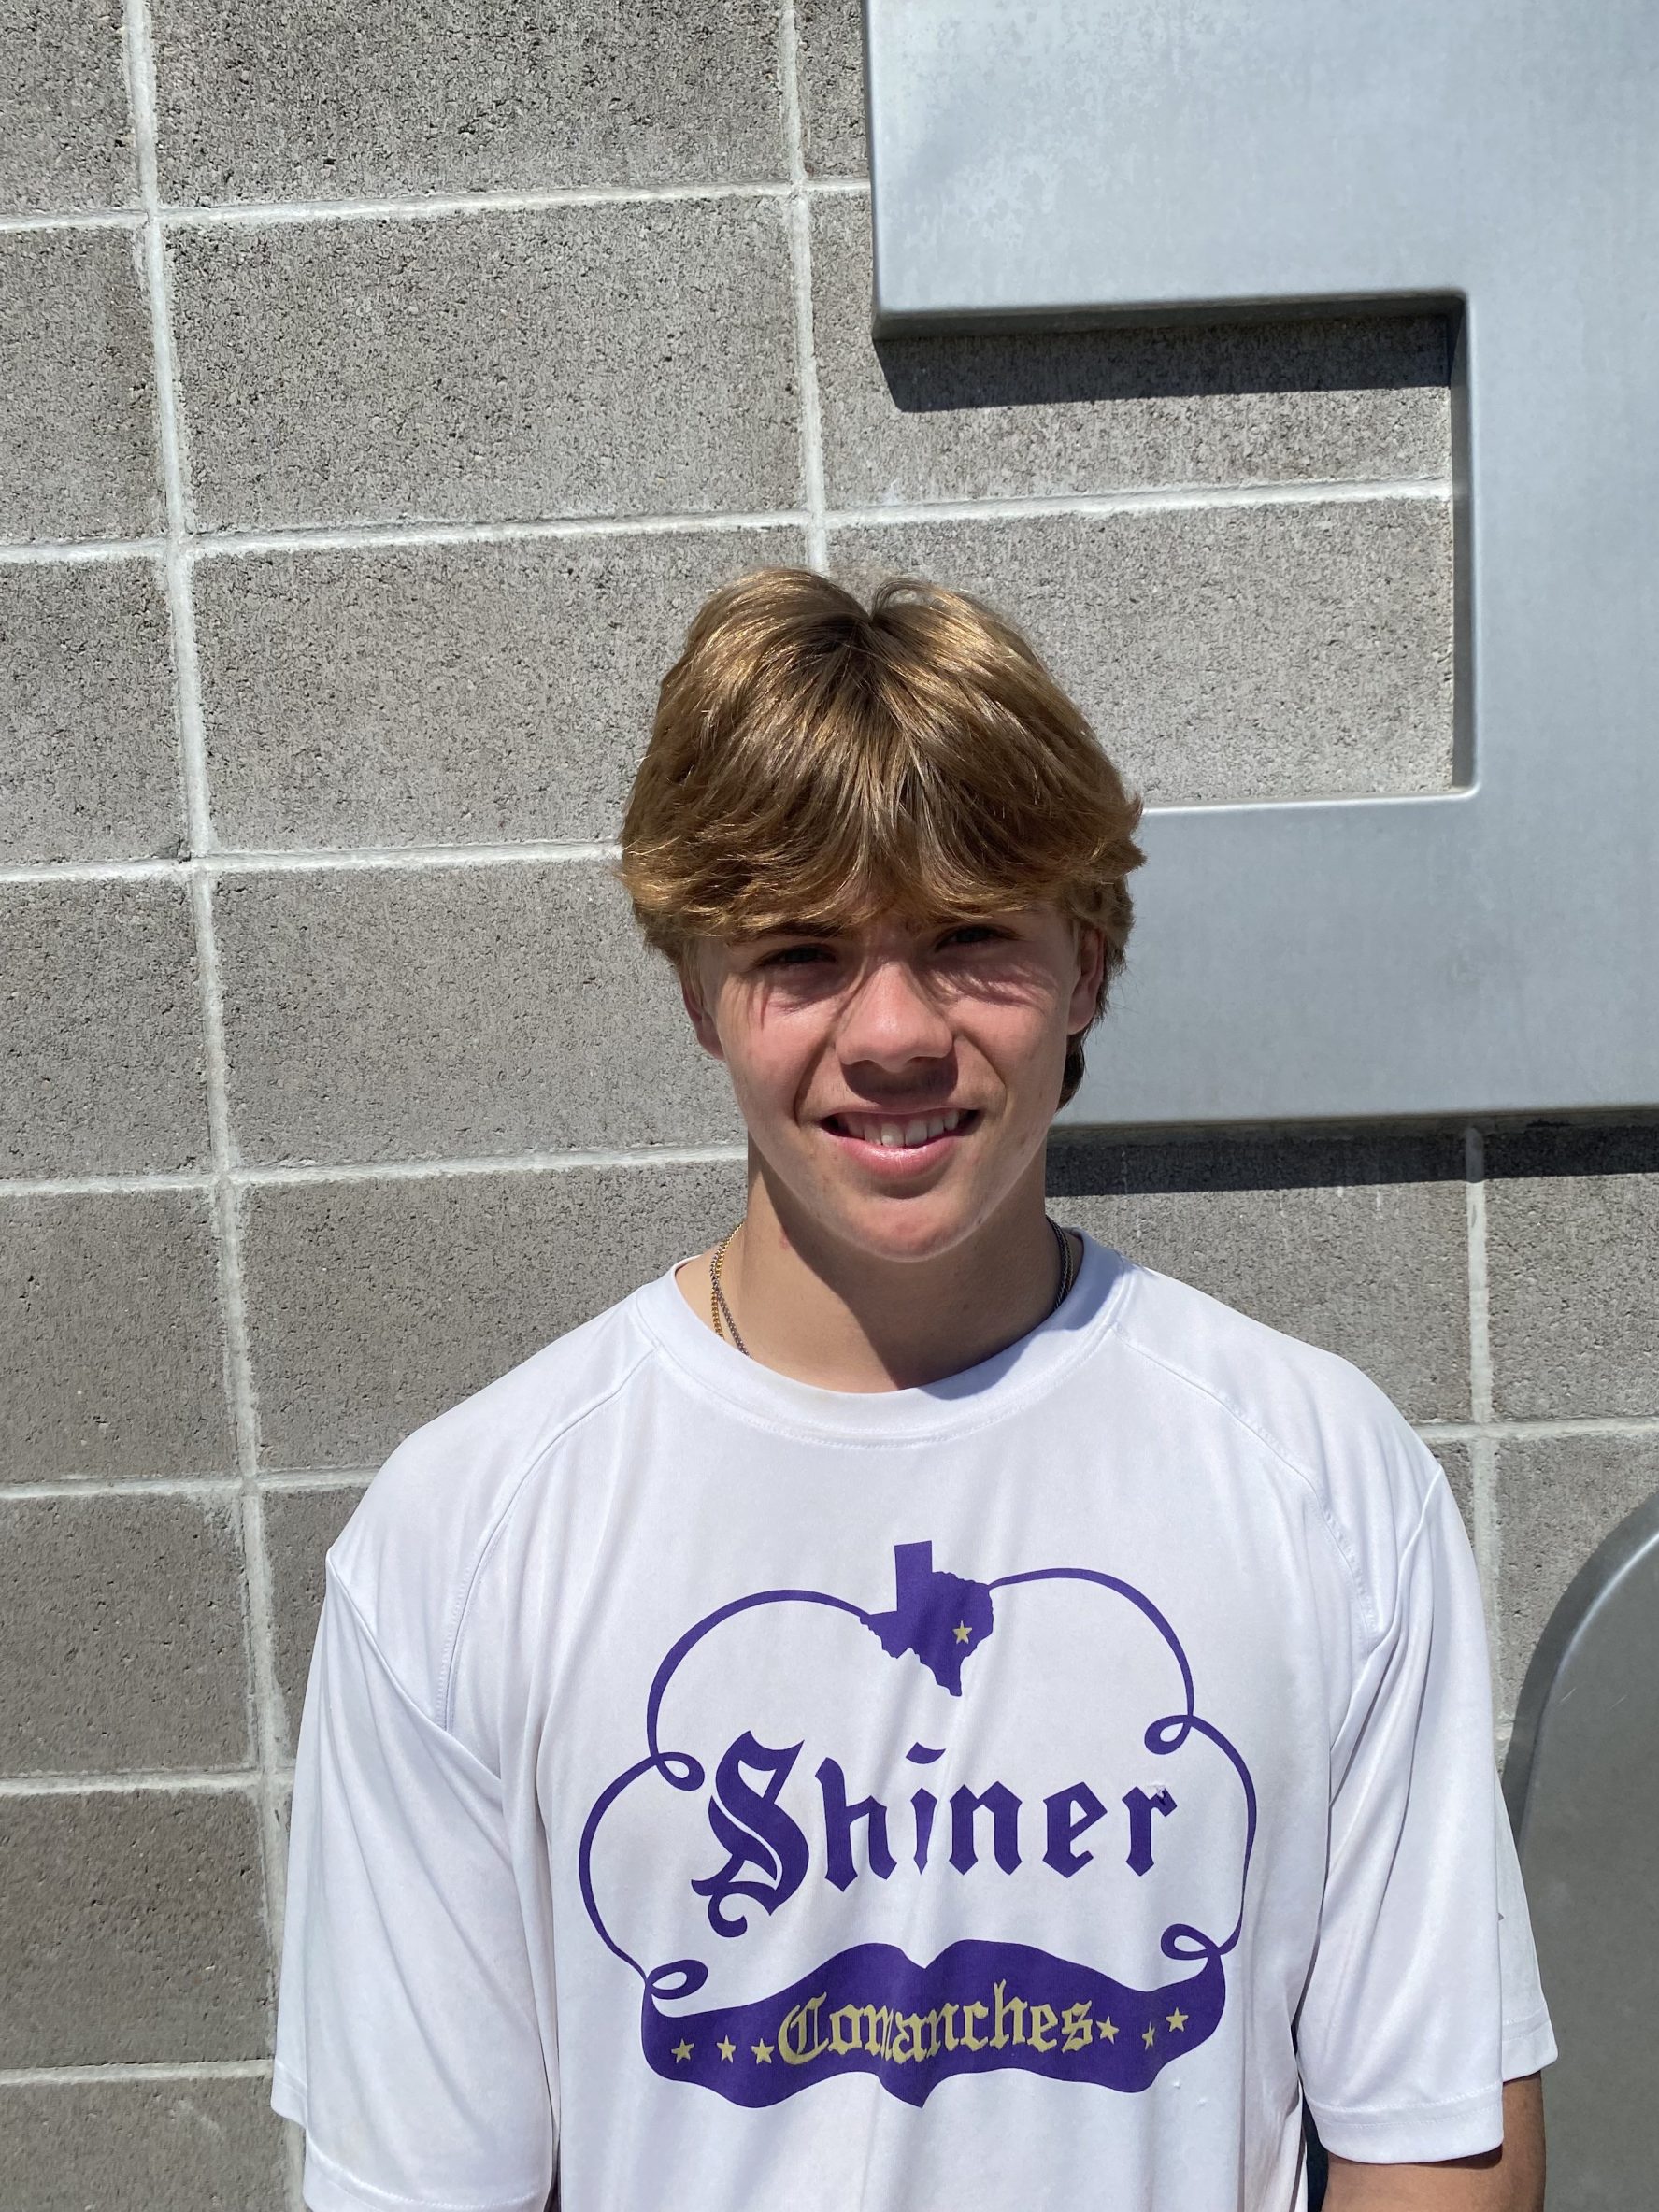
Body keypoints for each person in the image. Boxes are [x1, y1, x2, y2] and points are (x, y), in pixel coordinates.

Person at [272, 568, 1552, 2212]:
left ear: (1088, 966)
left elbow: (1434, 2135)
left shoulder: (1320, 1476)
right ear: (697, 990)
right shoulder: (465, 1537)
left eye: (968, 939)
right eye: (802, 952)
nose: (892, 1032)